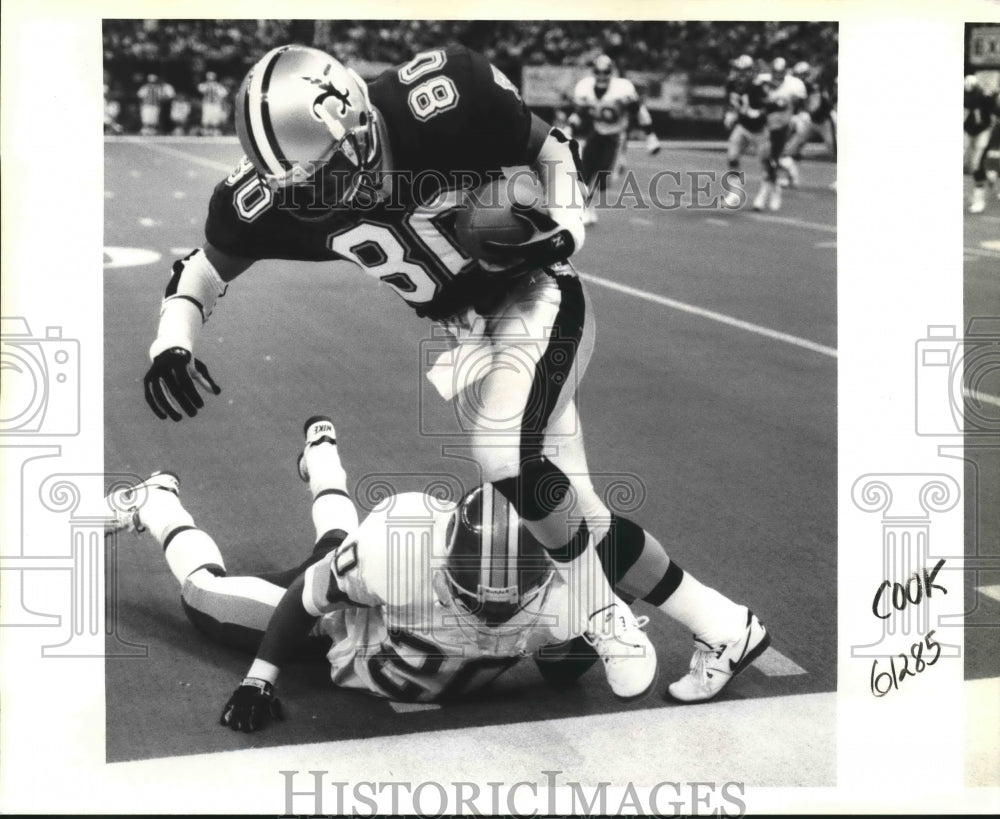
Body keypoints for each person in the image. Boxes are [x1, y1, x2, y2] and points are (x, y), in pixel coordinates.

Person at [139, 43, 763, 701]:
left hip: (534, 291)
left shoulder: (437, 97)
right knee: (575, 516)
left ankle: (602, 615)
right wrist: (171, 340)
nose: (338, 192)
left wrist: (565, 227)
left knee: (502, 453)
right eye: (313, 186)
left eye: (341, 168)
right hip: (468, 335)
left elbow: (552, 151)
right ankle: (725, 624)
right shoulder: (265, 200)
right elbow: (201, 269)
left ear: (356, 115)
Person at [105, 416, 771, 731]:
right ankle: (157, 502)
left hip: (394, 611)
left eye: (502, 603)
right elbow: (308, 600)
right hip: (341, 635)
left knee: (337, 540)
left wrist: (576, 644)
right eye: (476, 594)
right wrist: (261, 676)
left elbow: (580, 624)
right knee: (206, 597)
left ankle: (322, 458)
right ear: (448, 558)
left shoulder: (568, 598)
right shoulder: (402, 549)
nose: (487, 611)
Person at [568, 54, 661, 225]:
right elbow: (579, 113)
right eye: (598, 71)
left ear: (612, 72)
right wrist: (568, 129)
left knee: (605, 179)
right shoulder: (585, 87)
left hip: (616, 136)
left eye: (606, 72)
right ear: (593, 72)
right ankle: (586, 207)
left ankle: (587, 205)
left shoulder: (622, 88)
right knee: (584, 172)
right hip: (596, 133)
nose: (602, 76)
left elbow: (639, 111)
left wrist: (650, 135)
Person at [751, 57, 806, 212]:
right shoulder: (763, 83)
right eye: (775, 74)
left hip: (782, 127)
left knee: (772, 161)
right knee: (765, 161)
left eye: (780, 74)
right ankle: (777, 187)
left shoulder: (794, 86)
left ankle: (764, 195)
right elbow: (756, 100)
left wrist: (799, 116)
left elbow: (800, 104)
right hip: (766, 127)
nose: (777, 78)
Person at [777, 62, 837, 188]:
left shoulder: (812, 86)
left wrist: (800, 113)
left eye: (801, 76)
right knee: (791, 149)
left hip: (824, 120)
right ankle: (792, 179)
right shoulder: (801, 87)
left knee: (835, 150)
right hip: (811, 121)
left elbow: (815, 106)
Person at [720, 55, 768, 209]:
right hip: (743, 126)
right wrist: (730, 113)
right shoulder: (731, 83)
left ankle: (763, 195)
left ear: (750, 71)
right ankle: (734, 194)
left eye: (744, 71)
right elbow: (730, 102)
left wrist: (759, 111)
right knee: (732, 157)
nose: (741, 75)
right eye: (738, 71)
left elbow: (768, 105)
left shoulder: (758, 86)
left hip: (761, 129)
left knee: (764, 164)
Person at [964, 74, 999, 214]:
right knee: (971, 164)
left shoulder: (985, 95)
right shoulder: (967, 95)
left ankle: (980, 199)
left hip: (984, 131)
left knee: (977, 163)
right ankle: (991, 177)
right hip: (970, 130)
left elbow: (994, 108)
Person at [198, 71, 229, 136]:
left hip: (214, 104)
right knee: (208, 119)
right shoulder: (216, 86)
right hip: (209, 103)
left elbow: (224, 94)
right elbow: (224, 93)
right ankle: (207, 131)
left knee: (213, 119)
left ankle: (213, 131)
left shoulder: (206, 85)